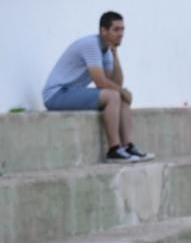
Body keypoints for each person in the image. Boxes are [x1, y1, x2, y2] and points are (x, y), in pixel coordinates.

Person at [42, 11, 154, 163]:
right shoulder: (91, 45)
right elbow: (101, 82)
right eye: (116, 29)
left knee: (119, 96)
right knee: (115, 95)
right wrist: (122, 92)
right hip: (56, 94)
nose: (121, 34)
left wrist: (115, 55)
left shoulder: (106, 50)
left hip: (70, 93)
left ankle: (127, 146)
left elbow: (115, 83)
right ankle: (114, 150)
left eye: (122, 29)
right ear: (103, 30)